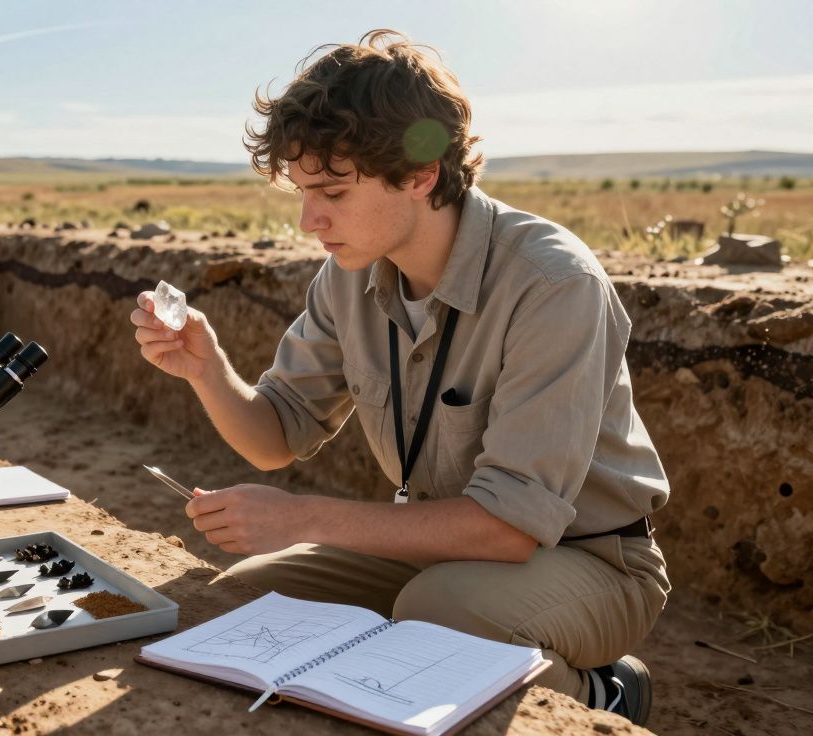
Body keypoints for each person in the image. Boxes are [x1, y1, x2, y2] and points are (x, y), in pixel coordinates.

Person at [130, 29, 669, 726]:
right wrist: (206, 370)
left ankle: (606, 694)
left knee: (440, 615)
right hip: (434, 547)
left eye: (331, 191)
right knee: (240, 604)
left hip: (590, 563)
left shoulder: (552, 283)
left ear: (420, 173)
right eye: (300, 191)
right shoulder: (348, 274)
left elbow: (510, 529)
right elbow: (274, 438)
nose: (307, 220)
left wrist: (300, 520)